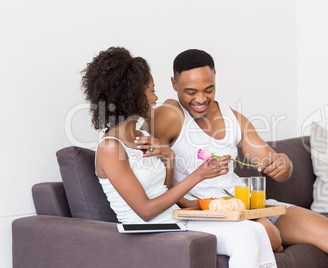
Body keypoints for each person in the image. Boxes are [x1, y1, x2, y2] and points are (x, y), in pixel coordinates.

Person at [153, 49, 328, 267]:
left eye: (209, 89)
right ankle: (274, 239)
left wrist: (283, 163)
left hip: (251, 206)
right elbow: (146, 170)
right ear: (174, 84)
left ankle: (274, 237)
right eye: (191, 92)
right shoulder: (169, 116)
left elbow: (276, 166)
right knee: (266, 231)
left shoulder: (233, 119)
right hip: (209, 213)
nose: (201, 99)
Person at [81, 46, 277, 268]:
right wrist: (198, 175)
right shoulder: (109, 148)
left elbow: (163, 191)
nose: (156, 98)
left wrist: (170, 159)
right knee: (246, 238)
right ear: (132, 95)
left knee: (256, 230)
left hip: (176, 220)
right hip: (149, 232)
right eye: (151, 90)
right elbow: (145, 211)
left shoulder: (142, 136)